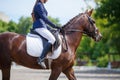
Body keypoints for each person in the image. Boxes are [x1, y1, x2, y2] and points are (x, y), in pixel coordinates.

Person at [31, 0, 61, 68]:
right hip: (39, 27)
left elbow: (43, 21)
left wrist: (51, 28)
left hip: (43, 26)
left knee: (54, 33)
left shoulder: (41, 5)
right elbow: (44, 19)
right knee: (52, 39)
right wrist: (54, 25)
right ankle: (41, 59)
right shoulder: (39, 5)